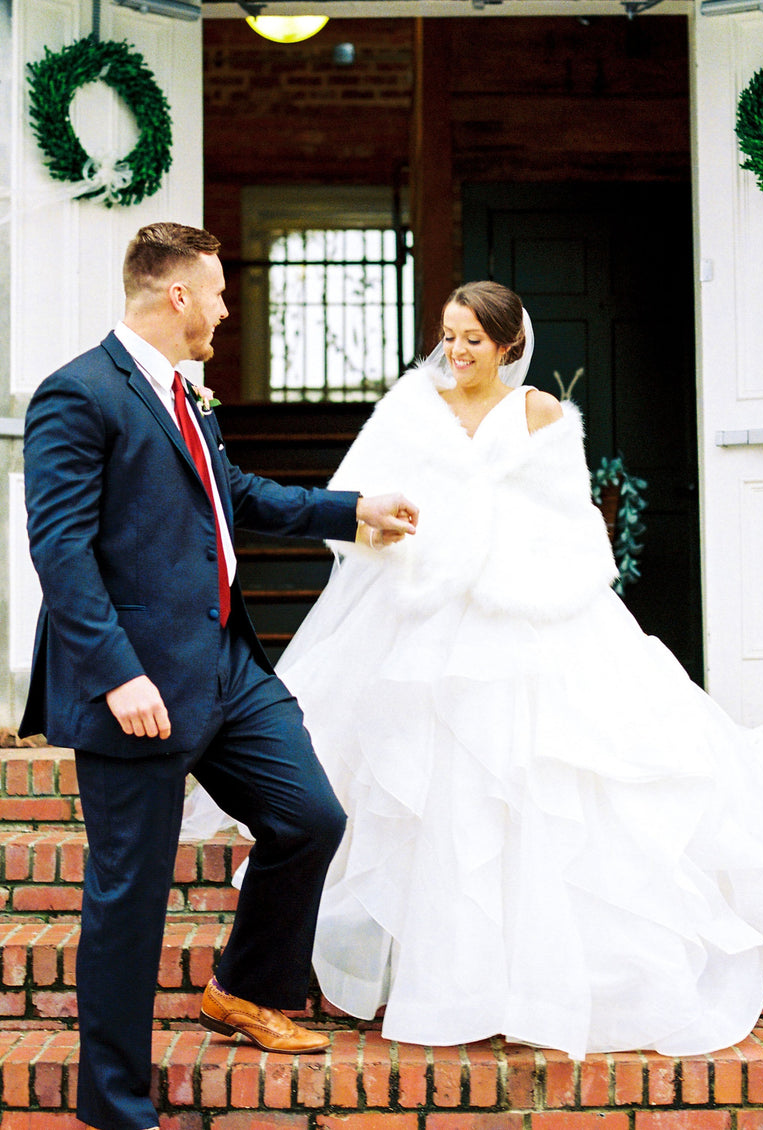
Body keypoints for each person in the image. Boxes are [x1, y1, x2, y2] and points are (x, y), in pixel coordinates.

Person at [181, 280, 763, 1061]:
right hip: (423, 611)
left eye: (473, 339)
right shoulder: (413, 404)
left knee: (528, 785)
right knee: (430, 788)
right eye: (449, 336)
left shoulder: (540, 413)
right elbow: (360, 496)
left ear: (509, 344)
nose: (457, 352)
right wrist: (398, 529)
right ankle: (439, 967)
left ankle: (524, 975)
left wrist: (505, 558)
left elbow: (573, 526)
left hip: (522, 617)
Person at [18, 221, 418, 1130]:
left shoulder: (186, 396)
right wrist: (117, 674)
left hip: (227, 666)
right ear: (177, 296)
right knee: (129, 898)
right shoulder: (76, 395)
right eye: (221, 293)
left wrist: (353, 510)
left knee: (311, 817)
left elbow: (234, 497)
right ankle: (116, 1108)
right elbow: (61, 550)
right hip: (134, 687)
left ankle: (242, 988)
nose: (229, 310)